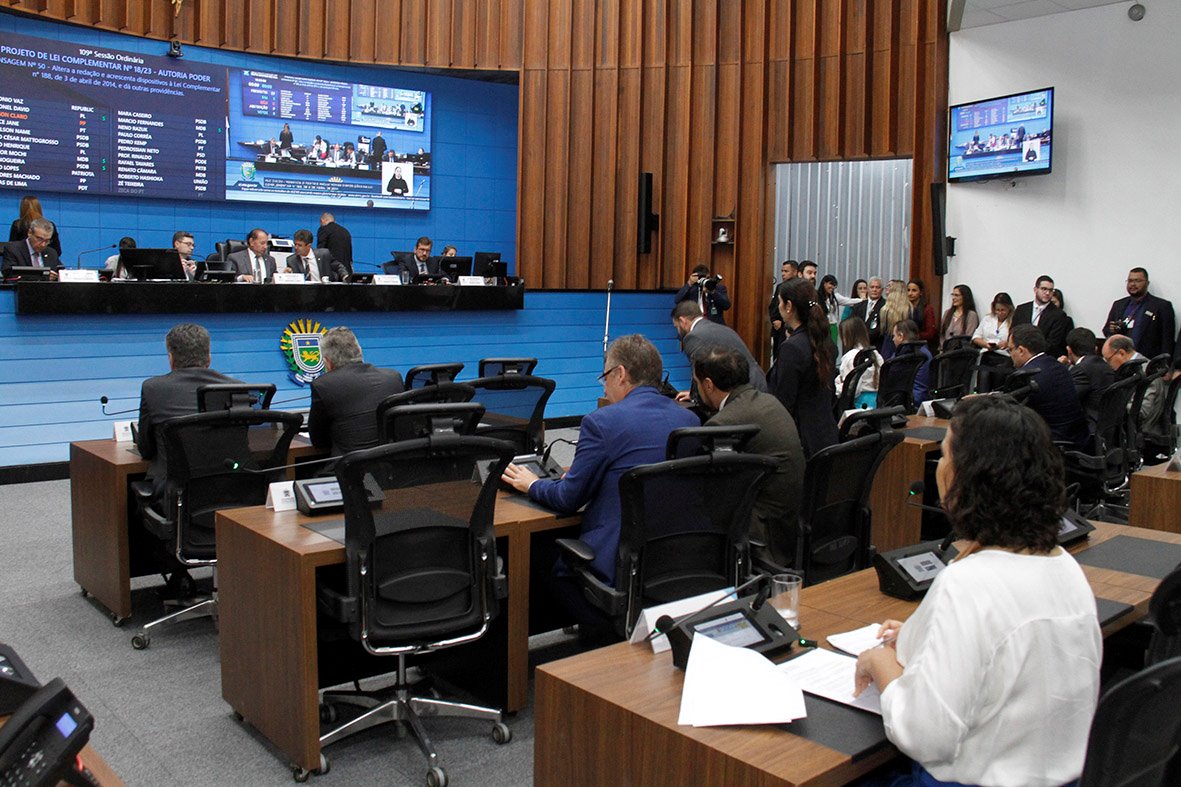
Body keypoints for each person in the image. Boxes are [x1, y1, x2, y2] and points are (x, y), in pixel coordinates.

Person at [853, 395, 1101, 787]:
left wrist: (880, 665)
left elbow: (925, 735)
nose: (940, 468)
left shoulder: (968, 583)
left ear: (968, 479)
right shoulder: (1065, 567)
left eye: (945, 455)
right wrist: (926, 637)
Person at [501, 335, 698, 627]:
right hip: (673, 562)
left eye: (605, 376)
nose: (604, 386)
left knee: (532, 551)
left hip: (616, 568)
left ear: (621, 374)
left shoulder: (602, 422)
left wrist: (531, 483)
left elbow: (568, 499)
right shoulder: (689, 421)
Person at [692, 347, 804, 568]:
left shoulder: (722, 423)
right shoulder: (770, 401)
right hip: (791, 518)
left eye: (697, 383)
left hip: (764, 528)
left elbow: (708, 483)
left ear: (708, 385)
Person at [136, 323, 241, 503]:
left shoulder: (153, 388)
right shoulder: (238, 388)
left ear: (171, 358)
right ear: (209, 357)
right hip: (234, 492)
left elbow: (146, 449)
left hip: (176, 498)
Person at [767, 277, 839, 457]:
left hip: (800, 442)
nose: (778, 306)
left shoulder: (792, 348)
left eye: (779, 302)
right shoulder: (826, 342)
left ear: (788, 306)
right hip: (826, 435)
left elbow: (784, 401)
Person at [307, 327, 405, 457]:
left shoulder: (323, 385)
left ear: (327, 362)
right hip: (394, 463)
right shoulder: (393, 377)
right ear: (360, 353)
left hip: (352, 466)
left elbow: (319, 441)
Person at [1009, 324, 1090, 449]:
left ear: (1021, 350)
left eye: (1010, 350)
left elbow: (1012, 413)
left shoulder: (1026, 375)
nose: (1010, 355)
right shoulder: (1058, 366)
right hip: (1078, 439)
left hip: (1050, 445)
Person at [671, 300, 768, 395]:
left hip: (742, 391)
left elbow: (699, 373)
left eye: (676, 327)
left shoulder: (693, 336)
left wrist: (695, 396)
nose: (678, 331)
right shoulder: (721, 328)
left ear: (682, 320)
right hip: (758, 383)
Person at [1103, 267, 1176, 361]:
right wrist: (1112, 330)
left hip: (1147, 361)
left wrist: (1165, 365)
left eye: (1137, 281)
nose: (1133, 284)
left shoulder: (1162, 306)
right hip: (1120, 360)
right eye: (1130, 281)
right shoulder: (1118, 304)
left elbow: (1167, 340)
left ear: (1147, 283)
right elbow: (1106, 330)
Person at [1103, 334, 1167, 435]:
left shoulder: (1146, 371)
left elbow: (1141, 411)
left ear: (1121, 353)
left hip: (1142, 433)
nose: (1108, 365)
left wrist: (1112, 407)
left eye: (1108, 359)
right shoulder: (1133, 368)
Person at [1063, 326, 1113, 432]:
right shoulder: (1105, 365)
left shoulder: (1081, 369)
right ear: (1096, 348)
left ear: (1069, 350)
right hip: (1107, 426)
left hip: (1088, 428)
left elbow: (1067, 400)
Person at [1013, 274, 1071, 358]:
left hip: (1042, 357)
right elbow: (1013, 332)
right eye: (1044, 289)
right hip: (1019, 355)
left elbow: (1053, 343)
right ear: (1035, 289)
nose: (1047, 293)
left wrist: (1030, 355)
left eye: (1050, 290)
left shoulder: (1059, 315)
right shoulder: (1021, 309)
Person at [835, 316, 882, 410]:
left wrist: (836, 386)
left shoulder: (850, 357)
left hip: (857, 406)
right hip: (877, 404)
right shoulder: (877, 354)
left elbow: (852, 389)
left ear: (846, 336)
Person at [890, 320, 932, 405]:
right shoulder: (926, 354)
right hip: (922, 400)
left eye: (894, 336)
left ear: (901, 336)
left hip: (903, 403)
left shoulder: (899, 357)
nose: (893, 339)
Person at [818, 274, 859, 346]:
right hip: (822, 327)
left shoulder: (835, 298)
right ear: (824, 283)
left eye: (834, 285)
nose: (832, 287)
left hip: (833, 326)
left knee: (833, 347)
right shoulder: (817, 297)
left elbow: (849, 301)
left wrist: (863, 300)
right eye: (830, 284)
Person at [769, 260, 799, 354]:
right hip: (778, 328)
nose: (783, 274)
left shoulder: (799, 287)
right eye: (782, 271)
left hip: (790, 326)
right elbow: (773, 305)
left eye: (786, 271)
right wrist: (774, 319)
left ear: (795, 272)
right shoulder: (780, 287)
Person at [938, 284, 979, 349]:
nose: (953, 298)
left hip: (961, 351)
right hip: (946, 350)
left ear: (965, 297)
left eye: (957, 295)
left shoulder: (971, 315)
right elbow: (942, 334)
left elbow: (969, 336)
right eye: (953, 295)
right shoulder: (947, 313)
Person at [878, 280, 911, 358]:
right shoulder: (911, 309)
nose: (886, 288)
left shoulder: (884, 310)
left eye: (889, 286)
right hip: (907, 346)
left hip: (888, 347)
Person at [849, 277, 885, 348]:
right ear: (867, 289)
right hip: (857, 345)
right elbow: (851, 324)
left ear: (882, 290)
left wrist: (864, 338)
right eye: (872, 287)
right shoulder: (858, 306)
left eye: (877, 287)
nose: (874, 290)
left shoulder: (885, 306)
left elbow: (882, 329)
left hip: (876, 346)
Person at [906, 278, 938, 346]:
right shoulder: (904, 307)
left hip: (921, 344)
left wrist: (912, 336)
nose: (910, 293)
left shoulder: (927, 309)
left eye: (914, 290)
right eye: (908, 290)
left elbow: (930, 333)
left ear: (921, 292)